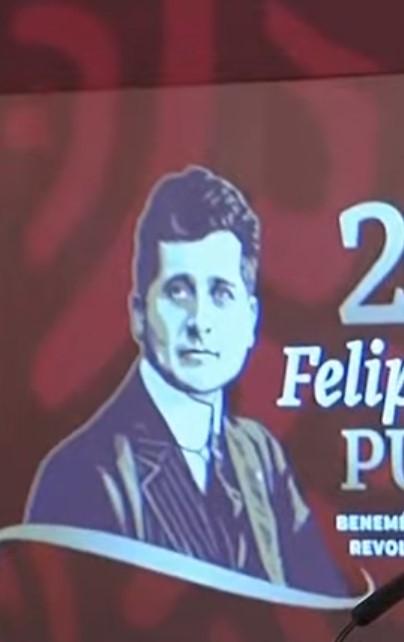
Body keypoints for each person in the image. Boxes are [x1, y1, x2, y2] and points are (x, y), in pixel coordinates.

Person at [23, 165, 350, 598]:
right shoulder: (83, 475)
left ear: (250, 319)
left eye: (221, 293)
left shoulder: (260, 455)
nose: (199, 321)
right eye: (178, 291)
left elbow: (323, 609)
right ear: (139, 314)